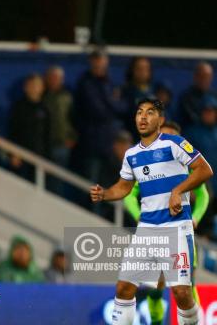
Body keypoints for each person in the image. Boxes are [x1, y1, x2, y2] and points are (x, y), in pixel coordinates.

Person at [90, 98, 213, 325]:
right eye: (139, 113)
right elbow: (124, 187)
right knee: (125, 287)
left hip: (176, 228)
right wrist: (106, 194)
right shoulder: (131, 154)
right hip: (147, 229)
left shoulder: (175, 144)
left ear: (160, 120)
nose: (143, 117)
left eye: (149, 113)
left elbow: (205, 170)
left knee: (182, 293)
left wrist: (178, 190)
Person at [123, 120, 209, 324]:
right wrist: (139, 215)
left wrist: (195, 218)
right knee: (155, 287)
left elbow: (203, 195)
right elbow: (128, 195)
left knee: (187, 285)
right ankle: (156, 321)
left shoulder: (185, 166)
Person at [74, 49, 126, 182]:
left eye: (103, 61)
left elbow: (122, 107)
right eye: (97, 61)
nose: (100, 65)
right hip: (91, 144)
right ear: (91, 61)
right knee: (92, 187)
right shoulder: (85, 83)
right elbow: (97, 110)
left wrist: (112, 103)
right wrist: (112, 101)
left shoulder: (108, 81)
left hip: (109, 143)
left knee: (108, 186)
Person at [179, 62, 217, 129]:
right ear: (195, 77)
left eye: (207, 76)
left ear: (211, 77)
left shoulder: (214, 95)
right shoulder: (186, 97)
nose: (204, 80)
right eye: (201, 76)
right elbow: (191, 118)